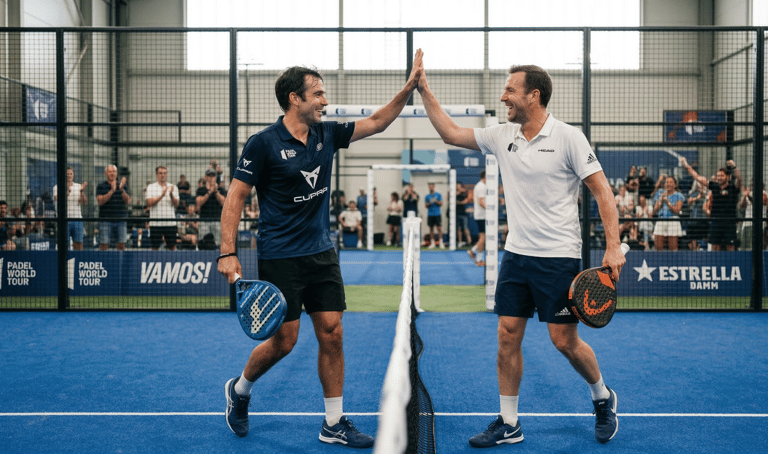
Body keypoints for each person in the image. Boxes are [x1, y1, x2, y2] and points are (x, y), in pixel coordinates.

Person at [216, 49, 424, 447]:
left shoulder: (328, 134)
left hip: (322, 253)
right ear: (295, 98)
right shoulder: (262, 143)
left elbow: (379, 122)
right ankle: (240, 390)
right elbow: (235, 196)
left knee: (332, 333)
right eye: (318, 94)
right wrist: (227, 253)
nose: (325, 101)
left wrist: (409, 88)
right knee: (285, 341)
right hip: (280, 255)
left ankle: (333, 421)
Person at [417, 59, 624, 446]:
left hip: (558, 257)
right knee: (507, 336)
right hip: (516, 256)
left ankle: (602, 396)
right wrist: (424, 90)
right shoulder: (502, 134)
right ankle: (509, 422)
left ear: (534, 94)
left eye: (510, 90)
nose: (503, 96)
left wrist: (613, 246)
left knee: (564, 341)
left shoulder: (569, 137)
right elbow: (450, 133)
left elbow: (602, 192)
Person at [680, 157, 742, 251]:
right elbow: (696, 176)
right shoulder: (714, 186)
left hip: (729, 224)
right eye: (718, 176)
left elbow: (740, 179)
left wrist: (734, 167)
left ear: (728, 177)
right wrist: (685, 164)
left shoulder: (733, 188)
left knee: (730, 248)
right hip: (715, 223)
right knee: (715, 248)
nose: (719, 178)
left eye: (721, 176)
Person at [96, 165, 131, 250]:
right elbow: (100, 201)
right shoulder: (101, 186)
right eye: (110, 171)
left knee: (121, 244)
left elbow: (128, 201)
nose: (112, 173)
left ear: (117, 173)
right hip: (105, 220)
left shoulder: (123, 186)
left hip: (121, 220)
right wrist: (112, 190)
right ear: (105, 173)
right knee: (104, 244)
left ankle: (121, 262)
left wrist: (121, 189)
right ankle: (103, 262)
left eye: (114, 171)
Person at [52, 166, 88, 250]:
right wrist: (67, 191)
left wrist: (82, 191)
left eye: (71, 173)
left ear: (73, 175)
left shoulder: (78, 186)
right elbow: (58, 200)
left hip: (77, 220)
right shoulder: (57, 187)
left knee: (78, 244)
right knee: (64, 244)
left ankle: (78, 260)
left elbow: (83, 202)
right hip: (64, 220)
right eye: (67, 174)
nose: (69, 175)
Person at [146, 166, 180, 251]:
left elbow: (177, 204)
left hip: (170, 223)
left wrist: (171, 195)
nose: (163, 175)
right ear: (157, 174)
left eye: (165, 173)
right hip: (156, 223)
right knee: (155, 247)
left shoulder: (173, 187)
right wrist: (162, 195)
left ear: (167, 174)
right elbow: (149, 203)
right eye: (160, 173)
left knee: (172, 246)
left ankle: (173, 263)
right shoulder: (151, 187)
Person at [652, 176, 685, 251]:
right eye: (667, 182)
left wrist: (667, 202)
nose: (668, 184)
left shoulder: (679, 196)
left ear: (675, 185)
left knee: (673, 248)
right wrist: (661, 201)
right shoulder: (660, 193)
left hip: (673, 221)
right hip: (661, 220)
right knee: (658, 248)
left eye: (671, 182)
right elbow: (655, 210)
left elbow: (677, 210)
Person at [196, 168, 227, 248]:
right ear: (205, 177)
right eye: (209, 175)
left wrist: (216, 191)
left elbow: (224, 203)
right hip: (204, 221)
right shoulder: (201, 190)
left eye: (213, 175)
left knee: (218, 244)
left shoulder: (221, 190)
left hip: (217, 220)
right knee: (203, 243)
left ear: (215, 177)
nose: (211, 177)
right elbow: (198, 203)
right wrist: (209, 192)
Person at [468, 171, 487, 266]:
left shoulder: (479, 186)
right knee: (484, 237)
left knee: (483, 237)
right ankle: (472, 250)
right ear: (485, 176)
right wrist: (490, 210)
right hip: (482, 216)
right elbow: (481, 201)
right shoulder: (481, 186)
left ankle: (479, 260)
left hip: (480, 215)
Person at [685, 180, 709, 250]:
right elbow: (689, 201)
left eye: (703, 184)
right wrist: (698, 197)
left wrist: (705, 196)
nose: (702, 186)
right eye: (700, 184)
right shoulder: (694, 193)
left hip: (705, 220)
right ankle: (694, 250)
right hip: (694, 220)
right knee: (693, 238)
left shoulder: (709, 193)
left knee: (708, 237)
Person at [424, 182, 445, 249]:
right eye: (430, 187)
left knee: (439, 229)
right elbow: (426, 206)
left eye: (432, 187)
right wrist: (430, 202)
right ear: (428, 188)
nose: (431, 188)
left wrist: (435, 201)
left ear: (434, 187)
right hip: (430, 214)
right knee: (431, 229)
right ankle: (433, 243)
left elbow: (441, 203)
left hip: (437, 214)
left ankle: (441, 242)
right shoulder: (427, 196)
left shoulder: (438, 195)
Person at [455, 182, 472, 247]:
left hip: (463, 214)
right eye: (457, 186)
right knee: (459, 229)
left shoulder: (464, 194)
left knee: (465, 228)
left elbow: (465, 201)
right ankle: (460, 242)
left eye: (459, 186)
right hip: (457, 214)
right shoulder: (454, 195)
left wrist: (459, 202)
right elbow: (453, 201)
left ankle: (470, 242)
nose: (458, 187)